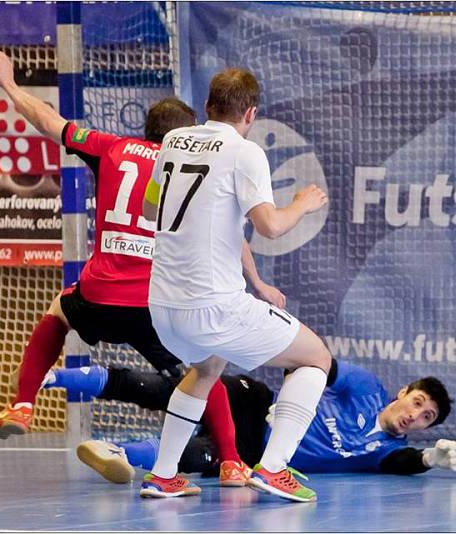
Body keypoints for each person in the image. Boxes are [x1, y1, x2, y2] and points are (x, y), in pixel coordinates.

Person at [0, 50, 285, 487]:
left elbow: (49, 121)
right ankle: (233, 461)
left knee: (58, 313)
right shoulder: (199, 165)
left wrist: (9, 85)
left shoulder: (112, 149)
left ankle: (24, 404)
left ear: (147, 129)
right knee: (205, 370)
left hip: (99, 294)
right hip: (156, 304)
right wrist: (257, 282)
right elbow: (234, 236)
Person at [139, 67, 332, 502]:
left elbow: (153, 214)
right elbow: (270, 227)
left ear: (207, 107)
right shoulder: (245, 152)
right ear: (251, 112)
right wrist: (301, 204)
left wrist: (256, 281)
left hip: (162, 306)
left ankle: (163, 475)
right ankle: (273, 468)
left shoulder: (172, 142)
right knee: (315, 357)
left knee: (207, 368)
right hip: (212, 307)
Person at [44, 359, 456, 483]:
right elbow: (313, 363)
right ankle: (56, 377)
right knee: (182, 390)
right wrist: (293, 401)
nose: (414, 415)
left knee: (199, 457)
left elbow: (403, 464)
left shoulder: (385, 452)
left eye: (427, 418)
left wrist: (429, 460)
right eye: (417, 402)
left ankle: (116, 452)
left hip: (253, 452)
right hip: (257, 405)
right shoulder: (366, 387)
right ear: (403, 392)